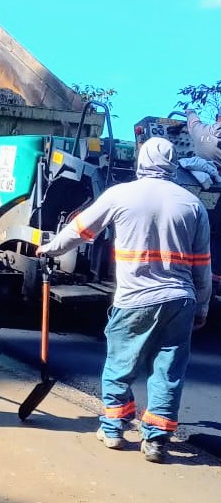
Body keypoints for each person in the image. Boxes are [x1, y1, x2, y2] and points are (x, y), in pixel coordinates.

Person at [37, 136, 211, 463]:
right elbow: (203, 264)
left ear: (141, 161)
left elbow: (80, 230)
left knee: (120, 363)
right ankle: (157, 440)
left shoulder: (120, 195)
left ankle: (114, 428)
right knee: (168, 370)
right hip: (180, 300)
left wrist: (51, 248)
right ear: (173, 163)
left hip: (134, 298)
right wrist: (201, 306)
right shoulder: (192, 204)